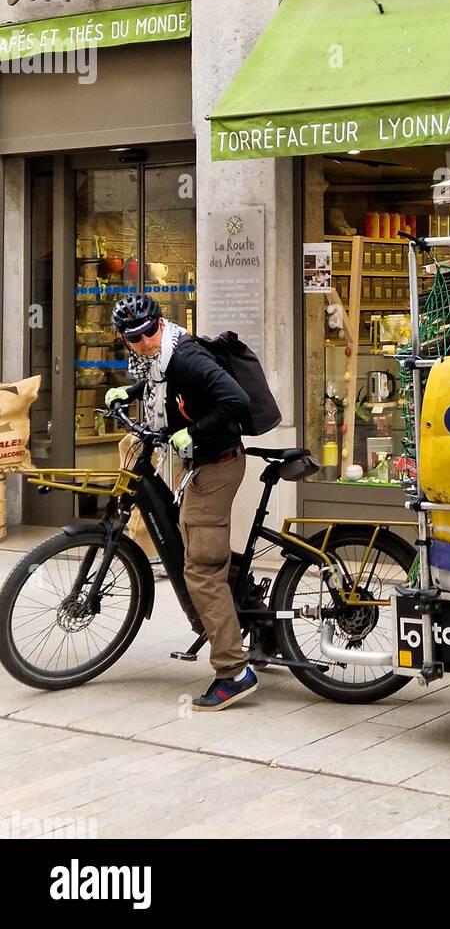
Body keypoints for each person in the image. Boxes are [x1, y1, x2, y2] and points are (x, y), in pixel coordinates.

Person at [105, 293, 259, 710]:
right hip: (201, 465)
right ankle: (250, 618)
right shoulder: (163, 359)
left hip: (216, 466)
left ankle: (234, 671)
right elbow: (164, 386)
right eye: (133, 338)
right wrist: (131, 391)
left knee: (202, 569)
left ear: (161, 323)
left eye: (149, 331)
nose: (145, 342)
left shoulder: (186, 357)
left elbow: (235, 402)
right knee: (200, 547)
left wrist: (196, 432)